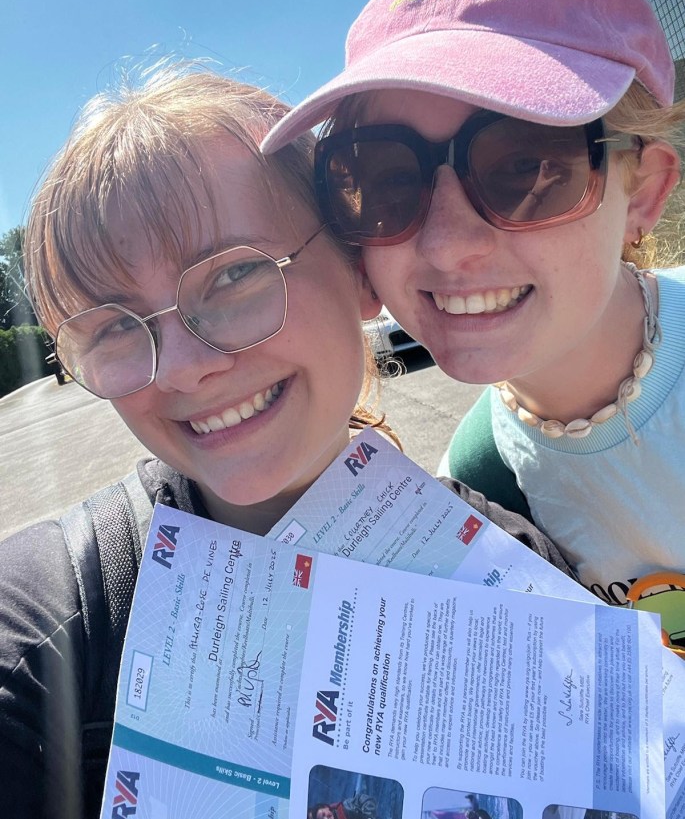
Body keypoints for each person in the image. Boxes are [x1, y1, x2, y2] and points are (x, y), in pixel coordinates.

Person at [0, 64, 571, 819]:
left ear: (359, 269)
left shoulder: (524, 575)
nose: (184, 369)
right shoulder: (50, 632)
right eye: (112, 327)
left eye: (233, 275)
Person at [261, 0, 685, 607]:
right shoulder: (474, 496)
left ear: (640, 191)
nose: (445, 245)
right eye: (385, 179)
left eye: (526, 165)